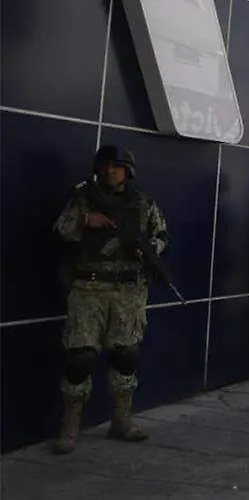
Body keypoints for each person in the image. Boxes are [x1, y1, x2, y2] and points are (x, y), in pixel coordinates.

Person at [51, 145, 169, 454]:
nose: (110, 171)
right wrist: (85, 220)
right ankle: (71, 426)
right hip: (88, 289)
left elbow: (161, 237)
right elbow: (61, 231)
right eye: (105, 165)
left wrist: (148, 250)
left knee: (126, 355)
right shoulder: (82, 199)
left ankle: (121, 420)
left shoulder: (144, 204)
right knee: (80, 358)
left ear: (128, 171)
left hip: (128, 292)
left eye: (117, 167)